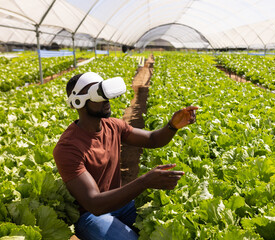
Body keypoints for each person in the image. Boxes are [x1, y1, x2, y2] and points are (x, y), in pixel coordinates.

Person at [53, 72, 198, 240]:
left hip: (120, 202)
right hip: (91, 215)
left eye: (105, 93)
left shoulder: (113, 126)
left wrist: (172, 126)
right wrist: (145, 181)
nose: (106, 100)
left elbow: (152, 139)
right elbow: (94, 204)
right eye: (99, 95)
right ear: (78, 102)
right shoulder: (68, 147)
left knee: (162, 227)